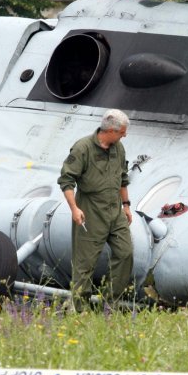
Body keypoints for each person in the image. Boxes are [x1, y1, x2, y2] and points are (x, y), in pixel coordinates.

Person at [58, 109, 133, 310]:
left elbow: (122, 178)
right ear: (110, 130)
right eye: (122, 132)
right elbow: (66, 180)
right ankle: (79, 309)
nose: (124, 135)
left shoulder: (119, 148)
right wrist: (74, 209)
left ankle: (110, 304)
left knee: (125, 253)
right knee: (85, 265)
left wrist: (126, 206)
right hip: (90, 212)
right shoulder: (83, 148)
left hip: (115, 212)